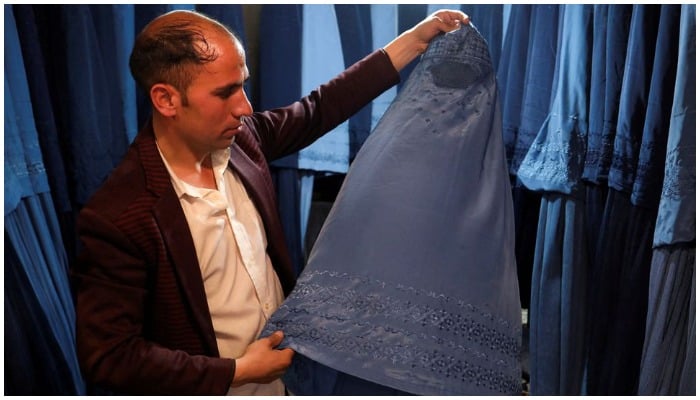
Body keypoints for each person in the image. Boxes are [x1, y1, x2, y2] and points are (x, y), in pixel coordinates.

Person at [72, 7, 469, 396]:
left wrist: (414, 40)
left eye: (242, 85)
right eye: (225, 92)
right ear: (166, 100)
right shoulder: (119, 216)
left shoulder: (244, 140)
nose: (244, 106)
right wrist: (236, 372)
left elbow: (318, 109)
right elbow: (109, 357)